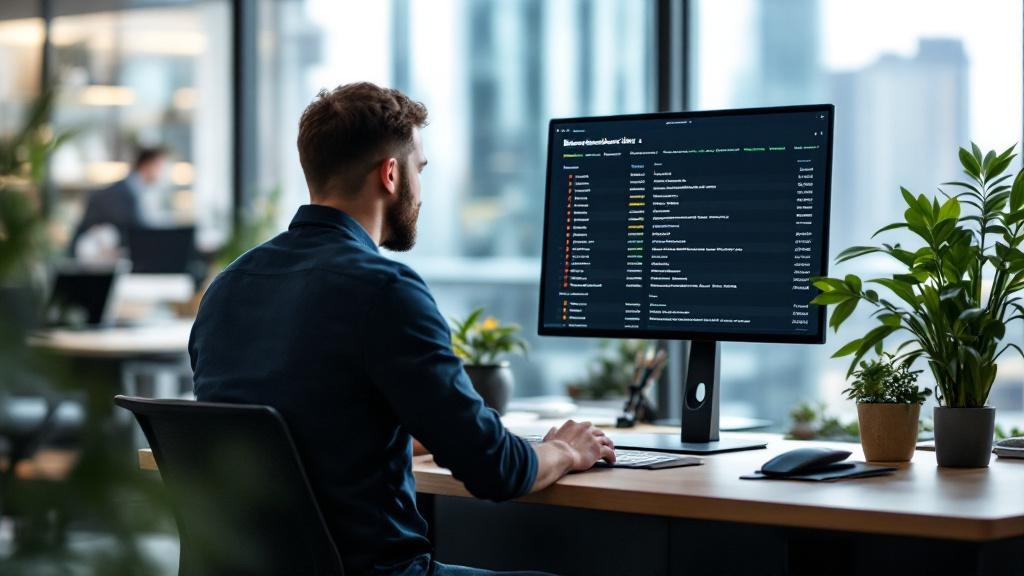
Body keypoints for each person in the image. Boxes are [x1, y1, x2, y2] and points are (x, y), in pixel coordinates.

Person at [188, 82, 616, 576]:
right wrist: (564, 449)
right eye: (421, 168)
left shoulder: (227, 288)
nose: (421, 186)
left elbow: (291, 429)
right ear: (391, 174)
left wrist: (409, 431)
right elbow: (495, 471)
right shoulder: (384, 289)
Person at [71, 146, 167, 256]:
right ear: (147, 165)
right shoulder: (114, 194)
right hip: (102, 261)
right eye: (160, 167)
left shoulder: (141, 192)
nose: (162, 173)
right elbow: (129, 232)